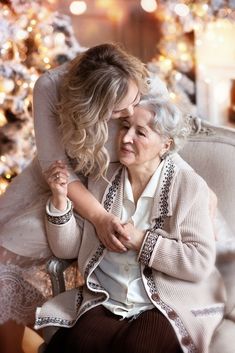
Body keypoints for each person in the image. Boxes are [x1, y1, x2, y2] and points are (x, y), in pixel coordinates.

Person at [36, 86, 226, 353]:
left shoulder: (188, 185)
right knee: (77, 345)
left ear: (166, 144)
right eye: (125, 127)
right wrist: (59, 200)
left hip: (166, 301)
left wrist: (142, 241)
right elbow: (66, 249)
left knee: (139, 347)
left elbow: (199, 263)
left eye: (140, 132)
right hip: (108, 298)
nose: (126, 138)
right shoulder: (103, 179)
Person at [0, 43, 149, 353]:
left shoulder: (141, 82)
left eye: (134, 101)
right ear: (89, 107)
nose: (130, 113)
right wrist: (97, 216)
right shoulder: (50, 87)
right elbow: (58, 166)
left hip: (107, 186)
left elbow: (167, 140)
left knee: (13, 246)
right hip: (60, 180)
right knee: (4, 249)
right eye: (118, 111)